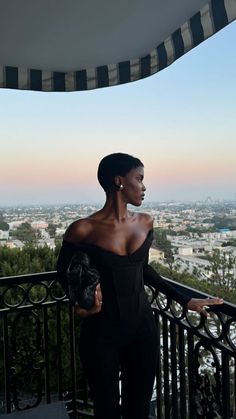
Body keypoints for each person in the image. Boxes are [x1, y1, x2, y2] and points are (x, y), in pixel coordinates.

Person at [57, 152, 223, 419]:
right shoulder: (83, 229)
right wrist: (79, 303)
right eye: (140, 179)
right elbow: (62, 272)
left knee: (139, 409)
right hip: (101, 333)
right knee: (106, 410)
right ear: (119, 181)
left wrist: (185, 300)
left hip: (142, 329)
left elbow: (143, 269)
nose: (144, 187)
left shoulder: (145, 223)